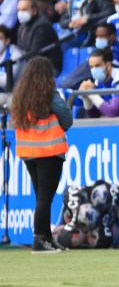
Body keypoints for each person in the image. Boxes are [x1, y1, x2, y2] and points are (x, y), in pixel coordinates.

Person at [12, 56, 72, 253]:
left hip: (28, 153)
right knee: (45, 198)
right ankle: (40, 240)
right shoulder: (49, 94)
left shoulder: (20, 96)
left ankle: (46, 239)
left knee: (41, 197)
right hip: (49, 151)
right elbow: (66, 118)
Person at [16, 0, 61, 72]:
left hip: (46, 67)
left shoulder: (42, 25)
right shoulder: (22, 26)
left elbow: (35, 54)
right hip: (30, 66)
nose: (20, 13)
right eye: (19, 10)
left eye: (24, 10)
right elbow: (20, 49)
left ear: (34, 10)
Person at [0, 24, 24, 104]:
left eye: (0, 38)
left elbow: (7, 83)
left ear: (7, 40)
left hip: (14, 95)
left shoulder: (15, 54)